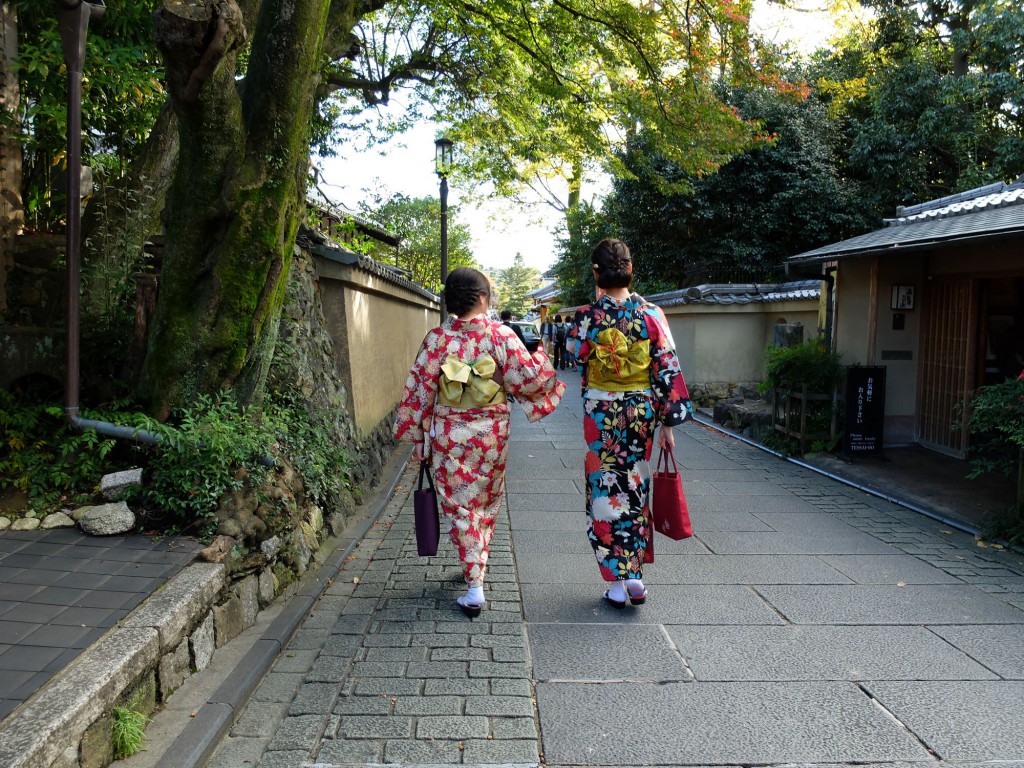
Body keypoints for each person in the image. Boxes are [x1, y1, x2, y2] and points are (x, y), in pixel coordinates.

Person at [395, 267, 566, 617]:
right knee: (485, 503)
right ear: (484, 298)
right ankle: (475, 574)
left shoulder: (437, 339)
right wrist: (542, 356)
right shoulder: (501, 335)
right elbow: (529, 379)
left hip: (448, 433)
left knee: (459, 506)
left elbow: (419, 390)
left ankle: (474, 581)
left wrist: (418, 436)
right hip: (491, 434)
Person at [569, 238, 691, 608]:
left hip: (602, 414)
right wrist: (667, 424)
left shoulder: (587, 316)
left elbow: (577, 356)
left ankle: (618, 582)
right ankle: (634, 575)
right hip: (640, 412)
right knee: (635, 486)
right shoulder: (652, 313)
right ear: (630, 269)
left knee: (605, 488)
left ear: (596, 274)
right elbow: (666, 367)